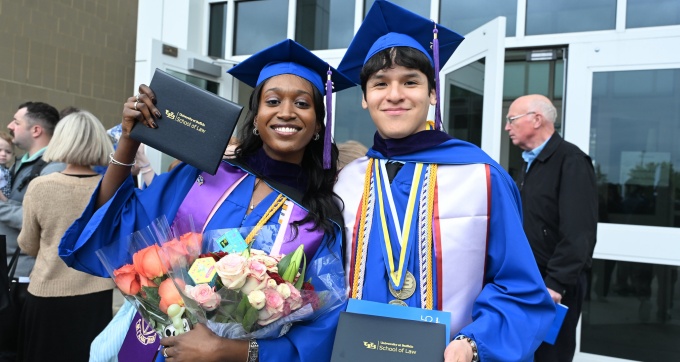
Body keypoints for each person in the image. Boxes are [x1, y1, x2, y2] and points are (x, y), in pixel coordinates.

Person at [58, 39, 354, 362]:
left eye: (302, 103)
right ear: (256, 118)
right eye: (272, 100)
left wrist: (231, 351)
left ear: (317, 127)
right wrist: (129, 141)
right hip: (158, 349)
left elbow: (320, 335)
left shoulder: (319, 220)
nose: (286, 112)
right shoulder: (204, 176)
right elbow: (115, 224)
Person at [334, 2, 556, 361]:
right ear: (364, 98)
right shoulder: (345, 181)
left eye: (410, 81)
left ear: (433, 94)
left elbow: (520, 289)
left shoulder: (481, 177)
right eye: (380, 84)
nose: (394, 95)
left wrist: (473, 343)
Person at [17, 110, 115, 362]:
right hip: (97, 294)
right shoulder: (111, 188)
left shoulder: (41, 186)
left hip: (47, 292)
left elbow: (28, 245)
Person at [505, 94, 597, 361]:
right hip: (528, 279)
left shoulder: (571, 161)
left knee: (549, 355)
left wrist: (555, 284)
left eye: (512, 120)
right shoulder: (528, 163)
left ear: (536, 119)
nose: (507, 127)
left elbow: (579, 233)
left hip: (553, 286)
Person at [0, 101, 64, 360]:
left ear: (36, 130)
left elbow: (40, 220)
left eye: (16, 121)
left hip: (25, 277)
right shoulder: (20, 164)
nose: (10, 126)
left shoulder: (53, 169)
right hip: (10, 271)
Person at [0, 131, 15, 201]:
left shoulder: (6, 169)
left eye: (8, 152)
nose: (3, 154)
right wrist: (5, 200)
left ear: (13, 154)